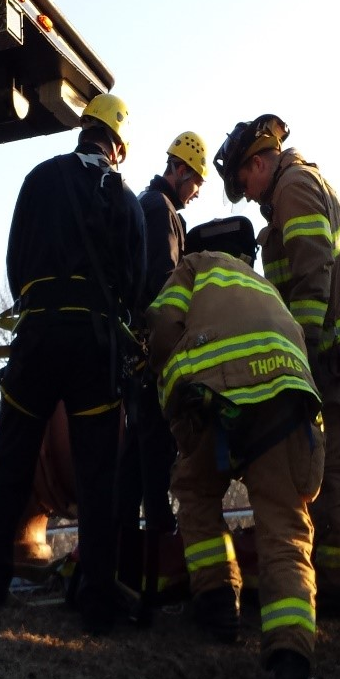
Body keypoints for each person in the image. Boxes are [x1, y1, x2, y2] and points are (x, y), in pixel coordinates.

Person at [0, 94, 145, 633]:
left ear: (83, 129)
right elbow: (134, 283)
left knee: (12, 460)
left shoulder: (39, 179)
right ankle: (96, 599)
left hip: (39, 337)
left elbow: (16, 262)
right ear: (116, 145)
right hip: (94, 345)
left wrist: (39, 304)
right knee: (97, 476)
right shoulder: (124, 197)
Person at [146, 218, 324, 679]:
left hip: (216, 395)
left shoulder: (193, 268)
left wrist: (164, 384)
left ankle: (218, 602)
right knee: (287, 529)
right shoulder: (264, 286)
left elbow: (162, 326)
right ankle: (291, 658)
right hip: (288, 404)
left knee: (197, 493)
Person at [213, 115, 340, 618]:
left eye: (245, 181)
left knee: (339, 472)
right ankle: (334, 582)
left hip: (333, 357)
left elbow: (312, 274)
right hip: (331, 356)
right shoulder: (291, 190)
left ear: (260, 163)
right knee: (328, 471)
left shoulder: (294, 187)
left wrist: (301, 354)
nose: (247, 193)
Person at [117, 132, 208, 566]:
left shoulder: (144, 204)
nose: (197, 193)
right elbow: (165, 284)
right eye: (197, 183)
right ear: (182, 171)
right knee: (155, 450)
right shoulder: (161, 210)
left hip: (134, 350)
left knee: (136, 452)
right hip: (151, 351)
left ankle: (123, 546)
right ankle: (160, 543)